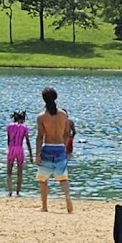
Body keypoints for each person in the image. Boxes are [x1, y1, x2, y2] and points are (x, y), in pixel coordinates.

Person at [36, 86, 75, 214]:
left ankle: (44, 206)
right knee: (63, 178)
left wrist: (37, 154)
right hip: (59, 147)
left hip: (47, 147)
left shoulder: (41, 116)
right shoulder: (63, 115)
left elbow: (40, 136)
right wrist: (63, 146)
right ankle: (68, 199)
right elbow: (66, 133)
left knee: (43, 179)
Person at [4, 110, 31, 197]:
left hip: (11, 148)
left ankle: (10, 191)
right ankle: (18, 192)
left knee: (9, 172)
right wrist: (31, 154)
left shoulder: (9, 126)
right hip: (19, 148)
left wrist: (9, 148)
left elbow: (8, 139)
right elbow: (27, 141)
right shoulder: (24, 127)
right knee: (20, 173)